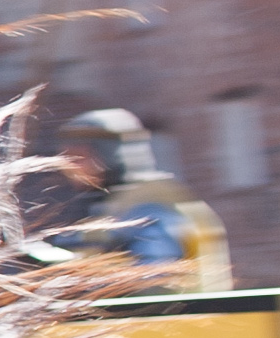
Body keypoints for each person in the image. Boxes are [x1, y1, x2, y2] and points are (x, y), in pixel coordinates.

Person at [24, 108, 232, 286]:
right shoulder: (110, 207)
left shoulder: (151, 209)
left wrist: (79, 279)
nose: (70, 168)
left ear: (110, 155)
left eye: (79, 158)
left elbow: (155, 281)